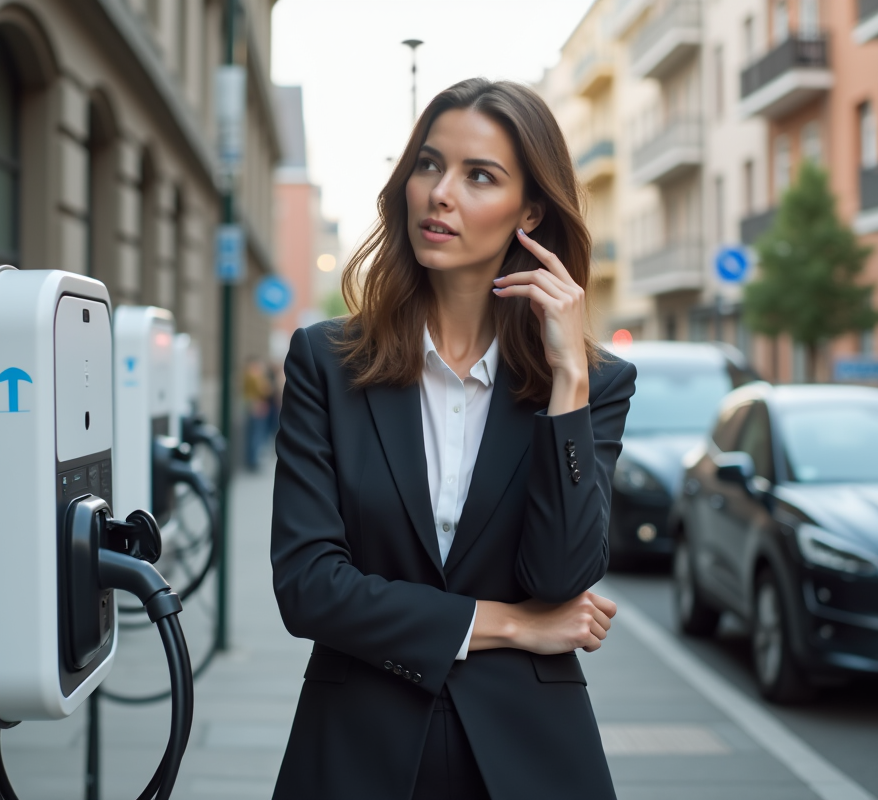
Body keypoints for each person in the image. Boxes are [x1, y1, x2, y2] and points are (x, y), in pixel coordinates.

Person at [270, 78, 636, 800]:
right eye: (429, 165)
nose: (440, 193)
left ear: (530, 211)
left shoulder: (597, 382)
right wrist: (507, 625)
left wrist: (568, 383)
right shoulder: (327, 361)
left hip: (528, 753)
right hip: (354, 748)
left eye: (479, 176)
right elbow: (308, 588)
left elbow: (561, 576)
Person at [243, 357, 272, 471]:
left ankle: (252, 459)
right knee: (256, 435)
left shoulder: (248, 375)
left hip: (253, 407)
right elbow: (265, 389)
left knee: (254, 434)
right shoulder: (254, 376)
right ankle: (253, 460)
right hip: (257, 407)